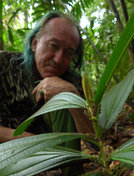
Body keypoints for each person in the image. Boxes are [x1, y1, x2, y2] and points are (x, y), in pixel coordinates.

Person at [0, 11, 93, 143]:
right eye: (53, 46)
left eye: (68, 52)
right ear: (34, 43)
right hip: (8, 155)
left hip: (58, 158)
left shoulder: (74, 82)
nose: (58, 59)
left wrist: (72, 96)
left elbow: (95, 143)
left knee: (66, 97)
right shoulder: (4, 65)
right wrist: (36, 142)